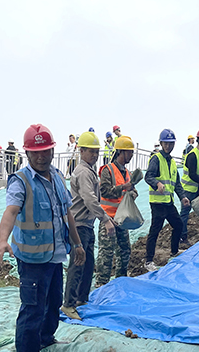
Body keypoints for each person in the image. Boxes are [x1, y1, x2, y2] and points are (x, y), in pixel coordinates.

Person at [0, 124, 84, 352]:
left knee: (54, 301)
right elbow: (11, 211)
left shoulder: (57, 177)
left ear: (53, 150)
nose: (41, 156)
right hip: (32, 259)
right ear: (27, 154)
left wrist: (77, 244)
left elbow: (68, 212)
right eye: (36, 152)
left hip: (55, 255)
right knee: (32, 308)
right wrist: (3, 240)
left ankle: (46, 338)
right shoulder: (21, 182)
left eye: (45, 150)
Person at [61, 132, 115, 321]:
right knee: (78, 263)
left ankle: (81, 298)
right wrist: (105, 218)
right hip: (79, 224)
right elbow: (89, 199)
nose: (94, 155)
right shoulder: (83, 172)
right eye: (90, 151)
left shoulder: (89, 170)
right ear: (81, 151)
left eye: (96, 151)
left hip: (86, 224)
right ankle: (68, 303)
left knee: (88, 262)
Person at [144, 129, 189, 271]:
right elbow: (148, 176)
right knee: (155, 231)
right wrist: (157, 184)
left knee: (178, 225)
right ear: (161, 143)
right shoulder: (156, 159)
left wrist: (183, 197)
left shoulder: (173, 163)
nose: (168, 146)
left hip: (168, 202)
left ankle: (174, 251)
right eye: (166, 143)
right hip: (157, 203)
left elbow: (176, 183)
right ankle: (148, 261)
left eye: (171, 144)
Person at [95, 135, 136, 287]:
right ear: (121, 152)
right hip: (109, 218)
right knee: (106, 253)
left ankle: (120, 281)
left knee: (125, 250)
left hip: (122, 219)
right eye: (129, 152)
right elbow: (104, 191)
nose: (131, 155)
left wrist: (132, 193)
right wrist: (124, 188)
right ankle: (101, 284)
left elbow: (134, 192)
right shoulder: (108, 170)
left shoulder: (127, 173)